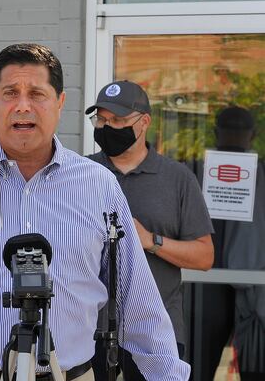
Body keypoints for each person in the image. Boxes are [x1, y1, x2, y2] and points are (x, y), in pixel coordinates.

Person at [0, 44, 188, 381]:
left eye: (37, 93)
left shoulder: (99, 186)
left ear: (60, 102)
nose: (23, 106)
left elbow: (139, 306)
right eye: (10, 93)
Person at [85, 80, 214, 380]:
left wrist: (150, 241)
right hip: (88, 328)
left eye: (117, 120)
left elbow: (204, 256)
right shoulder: (82, 173)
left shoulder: (177, 178)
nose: (106, 127)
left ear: (144, 122)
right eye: (101, 120)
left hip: (157, 332)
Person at [209, 106, 265, 381]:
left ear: (215, 133)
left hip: (212, 290)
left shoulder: (197, 172)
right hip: (208, 286)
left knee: (197, 368)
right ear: (253, 135)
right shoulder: (198, 172)